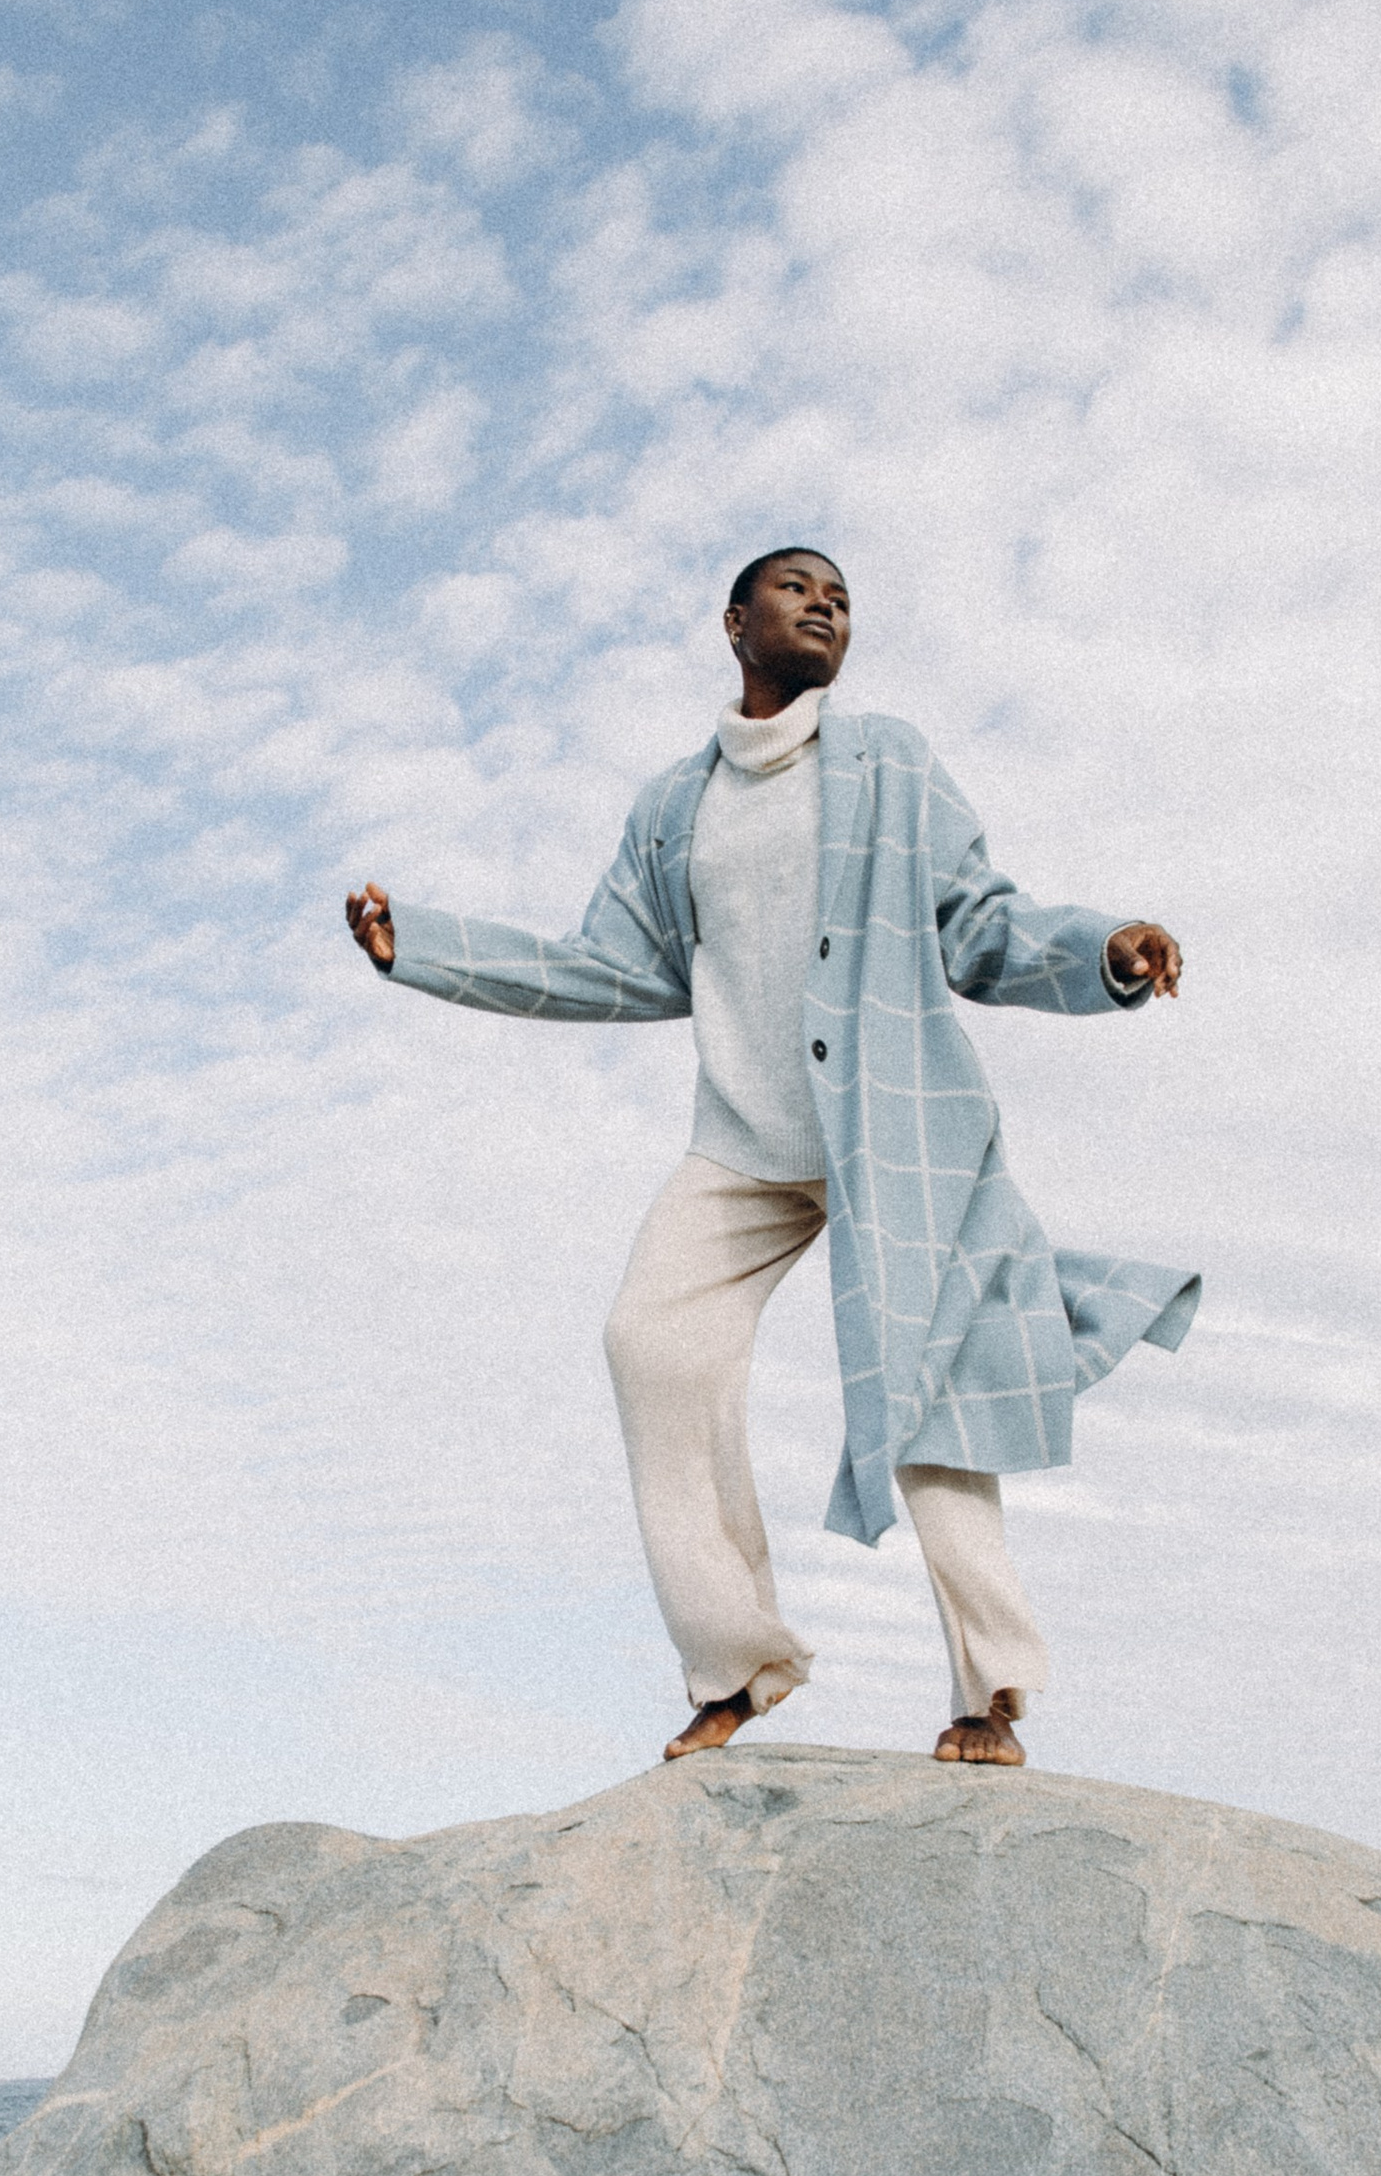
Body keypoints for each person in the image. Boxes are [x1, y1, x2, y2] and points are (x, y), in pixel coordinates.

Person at [345, 547, 1196, 1765]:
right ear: (735, 622)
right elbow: (610, 967)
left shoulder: (890, 764)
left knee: (931, 1392)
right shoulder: (670, 807)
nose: (827, 603)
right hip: (744, 1141)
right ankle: (735, 1666)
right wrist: (415, 947)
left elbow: (976, 923)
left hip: (896, 1133)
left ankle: (989, 1694)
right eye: (797, 588)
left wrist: (1104, 951)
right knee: (652, 1341)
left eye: (842, 595)